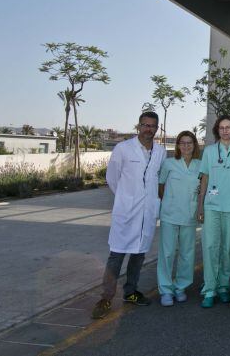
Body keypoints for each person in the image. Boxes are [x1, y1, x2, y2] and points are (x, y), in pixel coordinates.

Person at [91, 111, 166, 319]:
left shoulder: (160, 152)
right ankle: (106, 297)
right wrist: (127, 199)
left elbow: (157, 179)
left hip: (147, 213)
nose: (148, 129)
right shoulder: (123, 149)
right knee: (116, 255)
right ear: (138, 127)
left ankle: (131, 292)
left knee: (139, 255)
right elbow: (112, 178)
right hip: (127, 212)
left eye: (152, 126)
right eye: (144, 125)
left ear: (157, 129)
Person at [198, 115, 230, 308]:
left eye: (228, 127)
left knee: (228, 248)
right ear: (217, 130)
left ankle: (223, 285)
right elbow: (204, 179)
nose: (225, 131)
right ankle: (209, 289)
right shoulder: (210, 151)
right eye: (222, 128)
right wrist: (200, 205)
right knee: (210, 246)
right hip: (212, 205)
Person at [157, 130, 202, 307]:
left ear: (194, 145)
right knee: (167, 253)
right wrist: (169, 202)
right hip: (170, 215)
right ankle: (166, 290)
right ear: (177, 146)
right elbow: (160, 187)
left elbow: (202, 189)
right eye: (182, 143)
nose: (186, 146)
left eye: (189, 142)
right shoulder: (169, 163)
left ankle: (180, 287)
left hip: (190, 215)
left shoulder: (200, 164)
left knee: (187, 253)